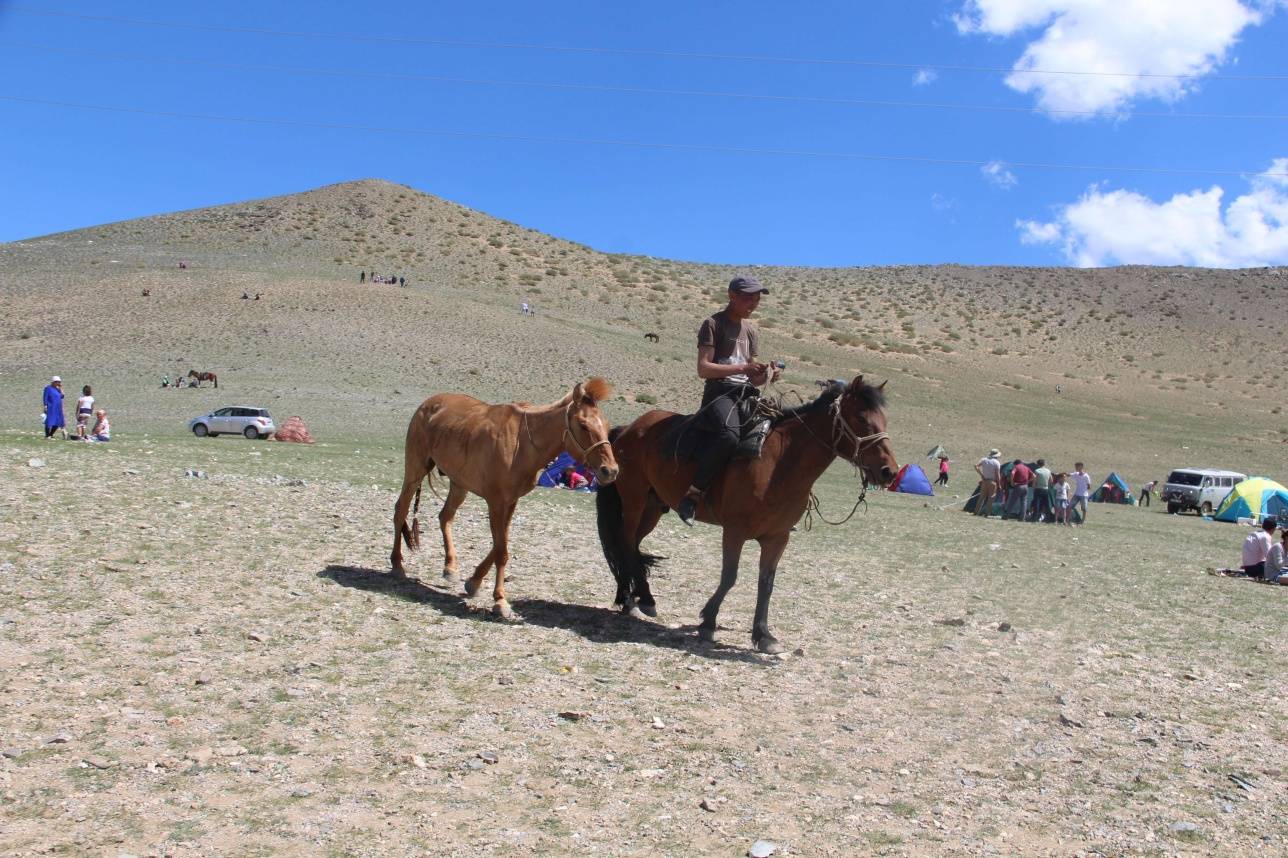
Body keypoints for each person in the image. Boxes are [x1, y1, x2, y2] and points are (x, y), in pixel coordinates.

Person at [676, 274, 780, 525]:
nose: (753, 303)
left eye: (756, 298)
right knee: (729, 435)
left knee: (780, 432)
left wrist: (766, 374)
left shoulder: (752, 330)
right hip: (719, 393)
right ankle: (693, 494)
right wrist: (743, 369)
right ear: (732, 296)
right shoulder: (713, 324)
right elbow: (704, 369)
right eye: (748, 298)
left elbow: (752, 376)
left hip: (745, 393)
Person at [974, 448, 1002, 517]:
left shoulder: (984, 459)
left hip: (985, 481)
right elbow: (997, 475)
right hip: (992, 482)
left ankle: (976, 512)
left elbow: (976, 466)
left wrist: (982, 475)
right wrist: (999, 484)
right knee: (990, 498)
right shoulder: (996, 462)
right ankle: (987, 514)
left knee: (981, 497)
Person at [1030, 459, 1053, 523]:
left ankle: (1035, 518)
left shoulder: (1037, 471)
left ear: (1037, 464)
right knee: (1046, 504)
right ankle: (1048, 518)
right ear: (1044, 464)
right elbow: (1051, 481)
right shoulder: (1048, 471)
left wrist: (1033, 487)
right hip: (1046, 489)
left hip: (1038, 489)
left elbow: (1034, 480)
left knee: (1036, 504)